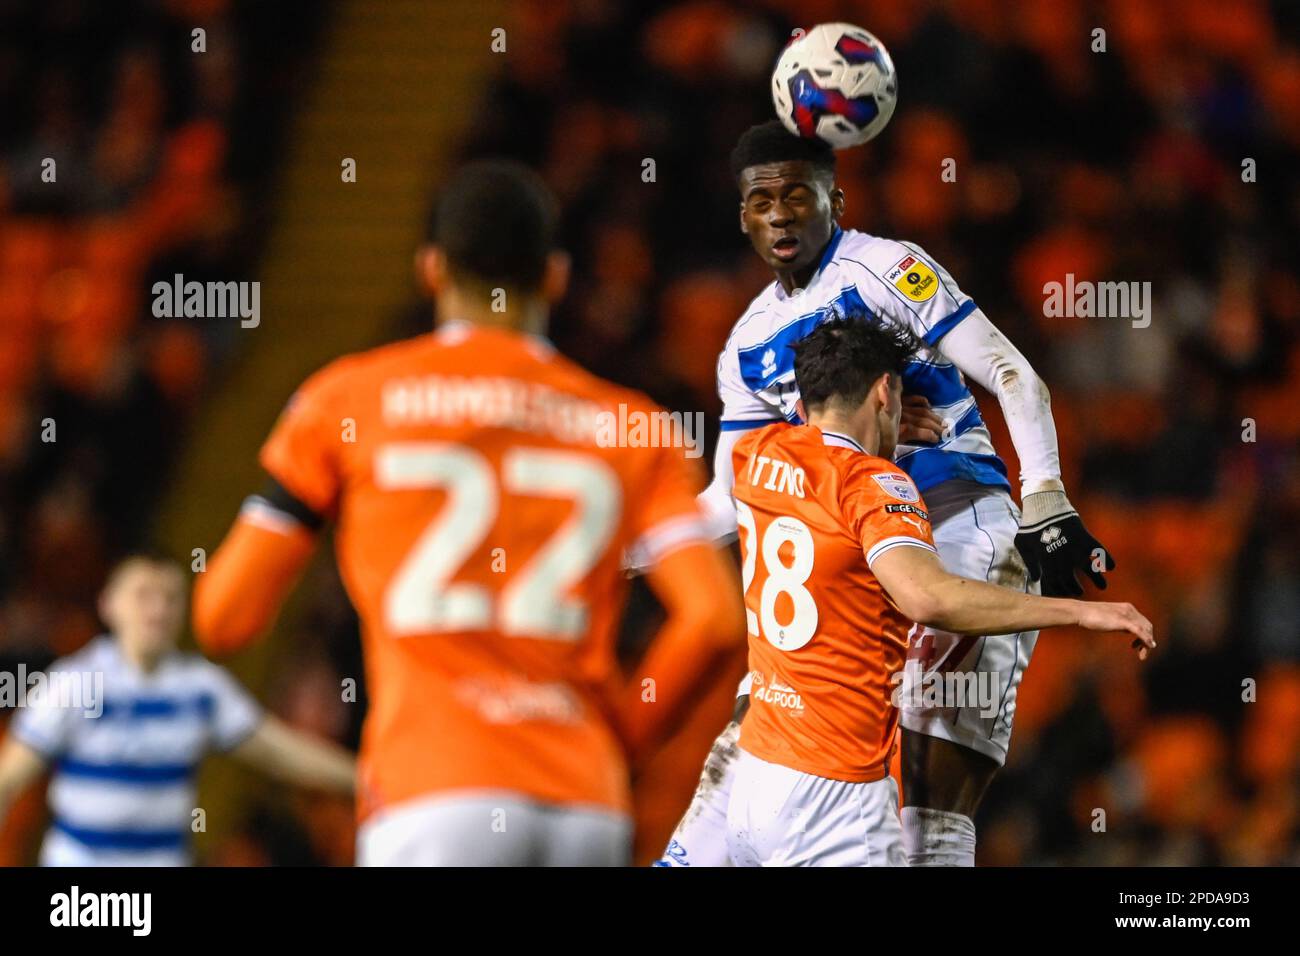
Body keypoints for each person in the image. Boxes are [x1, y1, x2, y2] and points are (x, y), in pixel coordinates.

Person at [192, 160, 745, 866]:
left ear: (430, 269)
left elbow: (223, 618)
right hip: (583, 801)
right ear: (554, 275)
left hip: (433, 793)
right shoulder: (631, 424)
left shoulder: (347, 402)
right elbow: (715, 617)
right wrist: (623, 737)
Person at [659, 121, 1116, 868]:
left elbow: (1009, 373)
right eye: (760, 200)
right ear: (742, 215)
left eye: (797, 195)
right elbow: (728, 493)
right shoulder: (746, 345)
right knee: (744, 759)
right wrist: (627, 548)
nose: (779, 214)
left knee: (924, 809)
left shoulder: (888, 269)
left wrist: (1046, 499)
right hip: (849, 553)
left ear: (833, 199)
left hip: (960, 524)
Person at [723, 316, 1152, 866]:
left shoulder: (756, 455)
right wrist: (1079, 613)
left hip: (754, 790)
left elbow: (810, 448)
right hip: (834, 799)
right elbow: (929, 598)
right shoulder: (875, 484)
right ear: (884, 391)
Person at [0, 554, 355, 866]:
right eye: (143, 595)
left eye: (170, 598)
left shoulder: (201, 689)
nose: (158, 609)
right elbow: (9, 778)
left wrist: (362, 776)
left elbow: (277, 749)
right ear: (108, 604)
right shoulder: (73, 684)